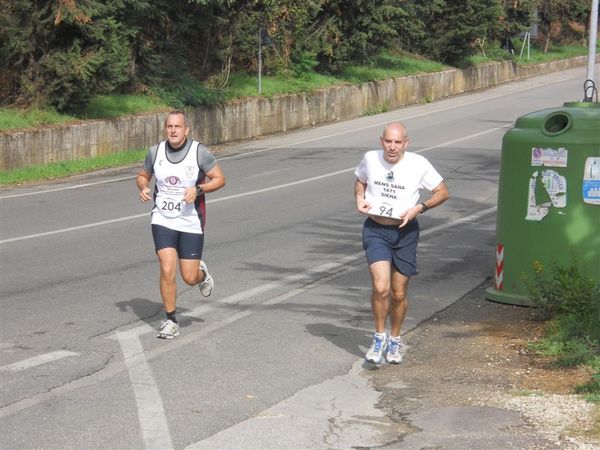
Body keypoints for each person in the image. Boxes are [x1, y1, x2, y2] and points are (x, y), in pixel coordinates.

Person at [354, 122, 449, 364]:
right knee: (381, 287)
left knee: (397, 294)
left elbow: (442, 191)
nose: (392, 147)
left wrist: (420, 208)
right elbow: (360, 180)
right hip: (376, 230)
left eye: (398, 142)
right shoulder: (370, 158)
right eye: (388, 141)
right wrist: (360, 198)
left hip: (404, 233)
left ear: (406, 143)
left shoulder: (419, 164)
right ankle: (378, 337)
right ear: (381, 141)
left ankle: (395, 340)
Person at [136, 110, 226, 339]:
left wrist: (198, 189)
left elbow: (220, 179)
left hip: (190, 221)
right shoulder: (155, 152)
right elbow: (143, 175)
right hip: (163, 219)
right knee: (167, 268)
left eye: (178, 127)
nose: (173, 130)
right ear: (165, 129)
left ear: (186, 130)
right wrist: (143, 186)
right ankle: (171, 320)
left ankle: (201, 275)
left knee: (188, 276)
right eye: (169, 127)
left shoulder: (199, 152)